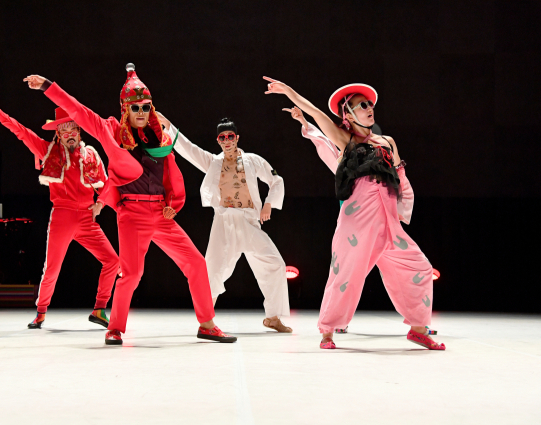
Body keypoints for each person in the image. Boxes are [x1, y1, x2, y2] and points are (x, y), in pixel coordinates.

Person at [23, 64, 236, 345]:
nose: (141, 112)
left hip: (159, 213)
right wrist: (47, 86)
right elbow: (79, 111)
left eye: (146, 107)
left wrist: (173, 204)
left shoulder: (158, 137)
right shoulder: (111, 131)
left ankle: (207, 324)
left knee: (196, 263)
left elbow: (170, 173)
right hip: (132, 214)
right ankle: (114, 328)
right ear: (126, 109)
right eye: (135, 108)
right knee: (132, 274)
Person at [263, 78, 444, 350]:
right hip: (357, 222)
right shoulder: (345, 139)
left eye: (370, 104)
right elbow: (316, 113)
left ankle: (418, 329)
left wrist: (402, 209)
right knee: (345, 274)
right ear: (347, 114)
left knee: (419, 267)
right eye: (363, 105)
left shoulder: (388, 142)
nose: (370, 108)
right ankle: (327, 331)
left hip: (388, 223)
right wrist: (289, 92)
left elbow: (400, 178)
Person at [0, 98, 132, 329]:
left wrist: (100, 203)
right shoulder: (49, 151)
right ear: (58, 133)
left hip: (87, 218)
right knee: (52, 268)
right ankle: (40, 312)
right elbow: (22, 132)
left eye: (73, 129)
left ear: (79, 131)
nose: (69, 134)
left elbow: (108, 184)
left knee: (112, 260)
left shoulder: (90, 155)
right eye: (64, 130)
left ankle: (99, 309)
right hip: (62, 216)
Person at [157, 114, 292, 332]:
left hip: (249, 221)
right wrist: (169, 126)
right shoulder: (214, 162)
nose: (227, 141)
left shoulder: (252, 160)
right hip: (224, 223)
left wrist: (268, 204)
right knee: (213, 271)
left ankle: (273, 317)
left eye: (230, 136)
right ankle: (206, 320)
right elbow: (189, 149)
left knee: (275, 264)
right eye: (222, 137)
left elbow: (276, 180)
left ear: (237, 138)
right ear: (218, 140)